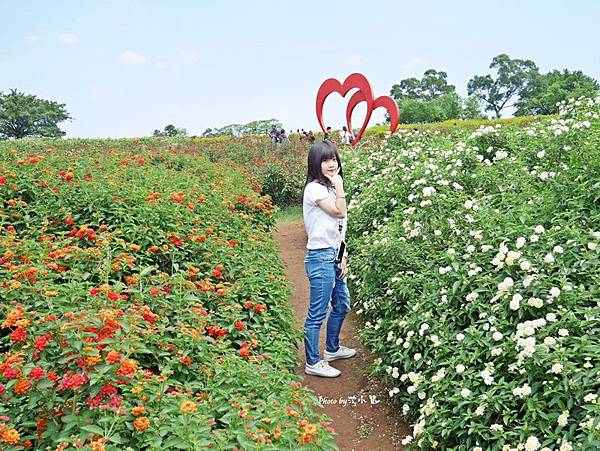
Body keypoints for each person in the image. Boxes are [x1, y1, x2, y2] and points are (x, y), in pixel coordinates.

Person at [302, 141, 356, 377]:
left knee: (342, 304)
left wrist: (343, 256)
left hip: (334, 256)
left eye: (334, 159)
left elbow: (339, 227)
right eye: (325, 160)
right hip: (320, 257)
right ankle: (313, 362)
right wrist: (341, 185)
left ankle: (332, 349)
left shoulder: (330, 188)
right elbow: (339, 212)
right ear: (316, 163)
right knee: (317, 312)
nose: (332, 164)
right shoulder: (315, 189)